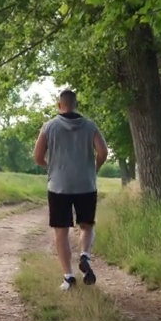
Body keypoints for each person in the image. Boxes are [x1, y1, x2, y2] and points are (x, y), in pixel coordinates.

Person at [34, 89, 108, 290]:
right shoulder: (90, 126)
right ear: (75, 104)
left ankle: (68, 277)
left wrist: (51, 166)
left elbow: (38, 157)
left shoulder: (49, 127)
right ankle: (85, 255)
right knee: (86, 225)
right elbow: (103, 151)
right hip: (86, 183)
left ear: (60, 105)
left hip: (59, 185)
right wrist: (95, 168)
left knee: (61, 232)